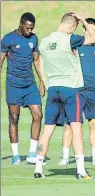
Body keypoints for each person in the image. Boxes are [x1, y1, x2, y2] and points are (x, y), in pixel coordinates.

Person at [33, 12, 95, 179]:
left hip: (53, 89)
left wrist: (44, 81)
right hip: (70, 88)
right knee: (76, 128)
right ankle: (81, 170)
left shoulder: (45, 41)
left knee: (47, 130)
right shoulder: (69, 39)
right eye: (74, 28)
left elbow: (38, 61)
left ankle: (38, 168)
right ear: (70, 26)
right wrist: (83, 19)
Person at [58, 18, 95, 166]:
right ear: (84, 31)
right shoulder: (77, 46)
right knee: (70, 124)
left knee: (94, 124)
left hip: (93, 91)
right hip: (76, 91)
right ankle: (66, 157)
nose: (93, 32)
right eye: (90, 30)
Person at [0, 12, 45, 165]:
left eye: (32, 28)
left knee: (38, 115)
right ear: (21, 24)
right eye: (28, 28)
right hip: (13, 84)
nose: (30, 31)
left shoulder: (33, 38)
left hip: (30, 84)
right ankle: (16, 155)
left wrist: (42, 81)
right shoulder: (8, 39)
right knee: (14, 118)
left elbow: (37, 61)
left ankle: (32, 154)